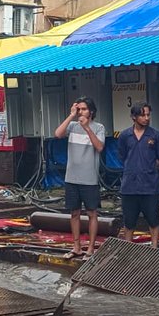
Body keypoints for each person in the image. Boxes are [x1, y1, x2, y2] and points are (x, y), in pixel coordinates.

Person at [54, 96, 106, 257]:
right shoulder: (72, 126)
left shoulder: (98, 127)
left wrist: (87, 129)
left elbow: (99, 147)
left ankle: (90, 248)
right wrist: (71, 115)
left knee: (92, 213)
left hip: (89, 179)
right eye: (79, 109)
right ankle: (76, 247)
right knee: (74, 213)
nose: (81, 112)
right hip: (71, 178)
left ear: (91, 111)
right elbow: (57, 134)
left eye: (84, 109)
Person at [117, 102, 159, 247]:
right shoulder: (125, 136)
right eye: (142, 115)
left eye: (148, 114)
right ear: (133, 117)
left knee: (153, 218)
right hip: (129, 186)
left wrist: (148, 168)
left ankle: (154, 247)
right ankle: (127, 247)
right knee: (129, 221)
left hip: (150, 185)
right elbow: (122, 156)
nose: (146, 118)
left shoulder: (156, 135)